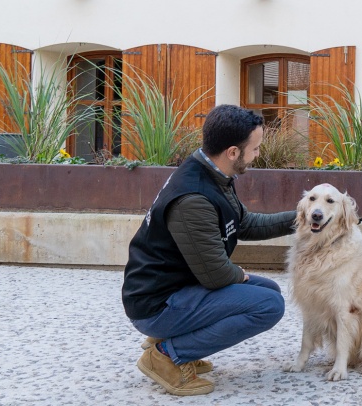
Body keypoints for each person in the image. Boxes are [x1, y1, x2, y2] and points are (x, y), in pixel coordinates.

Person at [122, 104, 298, 396]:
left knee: (269, 289)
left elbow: (244, 224)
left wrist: (303, 217)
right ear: (232, 152)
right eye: (254, 149)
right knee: (268, 306)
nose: (257, 155)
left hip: (178, 287)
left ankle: (174, 344)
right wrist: (239, 275)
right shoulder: (194, 199)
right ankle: (166, 354)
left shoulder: (212, 173)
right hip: (156, 303)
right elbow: (216, 275)